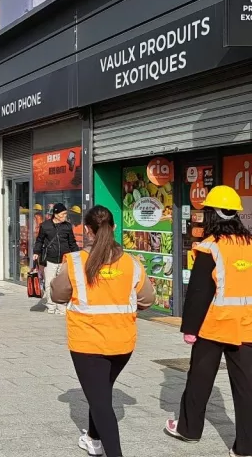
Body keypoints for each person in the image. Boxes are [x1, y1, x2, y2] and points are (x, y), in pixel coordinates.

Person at [51, 205, 154, 457]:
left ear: (87, 230)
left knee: (100, 402)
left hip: (88, 344)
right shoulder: (132, 262)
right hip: (122, 342)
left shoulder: (76, 262)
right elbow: (148, 298)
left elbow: (57, 294)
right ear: (114, 228)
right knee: (101, 393)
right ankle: (94, 439)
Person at [163, 185, 252, 457]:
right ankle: (246, 447)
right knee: (247, 386)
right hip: (247, 325)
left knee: (200, 378)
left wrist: (190, 328)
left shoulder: (209, 247)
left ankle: (189, 429)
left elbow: (199, 292)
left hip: (214, 326)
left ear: (212, 214)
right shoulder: (250, 245)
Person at [34, 202, 80, 315]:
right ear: (56, 214)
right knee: (49, 283)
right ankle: (51, 306)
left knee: (62, 285)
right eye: (63, 214)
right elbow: (39, 240)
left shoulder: (67, 226)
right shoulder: (45, 226)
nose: (65, 216)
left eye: (65, 214)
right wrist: (36, 252)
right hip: (50, 259)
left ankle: (61, 307)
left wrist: (77, 255)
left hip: (64, 260)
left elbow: (72, 243)